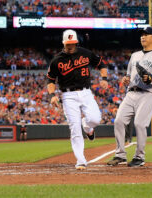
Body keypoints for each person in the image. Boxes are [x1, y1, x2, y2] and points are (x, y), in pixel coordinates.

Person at [107, 27, 152, 167]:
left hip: (148, 93)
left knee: (140, 124)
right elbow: (129, 74)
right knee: (118, 121)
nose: (143, 37)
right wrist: (126, 79)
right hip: (131, 93)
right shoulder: (134, 55)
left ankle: (139, 157)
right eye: (142, 35)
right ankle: (120, 155)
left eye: (146, 34)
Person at [46, 29, 108, 170]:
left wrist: (104, 78)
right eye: (68, 43)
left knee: (95, 119)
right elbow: (50, 80)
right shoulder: (57, 60)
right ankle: (80, 160)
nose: (70, 46)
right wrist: (52, 95)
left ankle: (87, 126)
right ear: (64, 43)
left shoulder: (85, 53)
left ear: (76, 42)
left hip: (86, 92)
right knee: (74, 128)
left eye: (72, 43)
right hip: (68, 96)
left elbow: (101, 64)